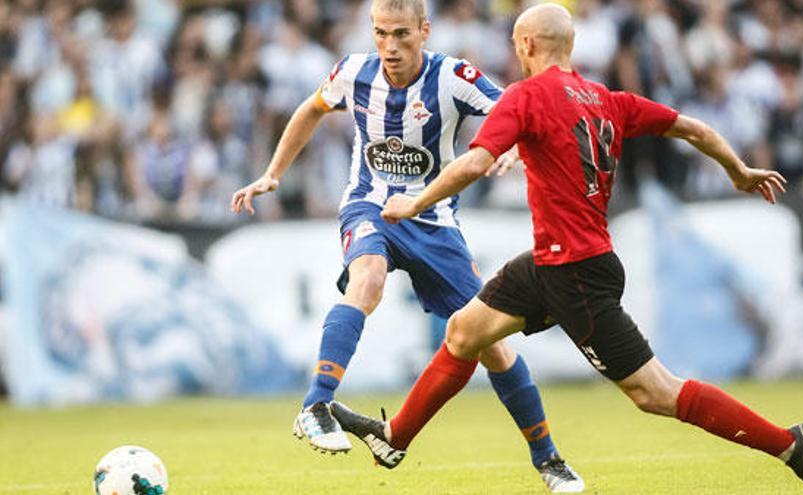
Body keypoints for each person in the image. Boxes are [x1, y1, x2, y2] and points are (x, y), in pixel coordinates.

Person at [329, 4, 803, 495]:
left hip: (576, 274)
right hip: (554, 261)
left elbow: (476, 163)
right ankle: (395, 438)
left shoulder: (526, 97)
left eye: (515, 44)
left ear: (526, 45)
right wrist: (738, 171)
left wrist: (415, 201)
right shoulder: (607, 99)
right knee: (464, 330)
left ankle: (790, 445)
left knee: (654, 392)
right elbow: (692, 128)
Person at [230, 1, 584, 492]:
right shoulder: (352, 72)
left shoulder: (454, 76)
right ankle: (315, 405)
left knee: (492, 346)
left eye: (400, 34)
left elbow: (516, 111)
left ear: (424, 30)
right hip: (369, 206)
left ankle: (548, 460)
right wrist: (273, 173)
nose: (390, 47)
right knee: (367, 279)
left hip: (435, 221)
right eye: (380, 34)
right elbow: (310, 109)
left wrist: (510, 148)